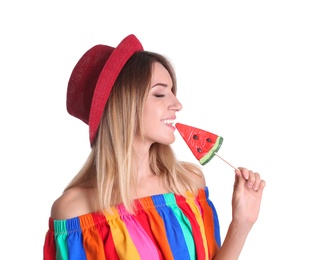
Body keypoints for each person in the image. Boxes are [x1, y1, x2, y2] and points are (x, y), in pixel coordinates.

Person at [43, 34, 266, 260]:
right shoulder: (74, 211)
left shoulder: (188, 184)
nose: (177, 105)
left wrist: (242, 222)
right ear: (124, 105)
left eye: (172, 92)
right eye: (160, 94)